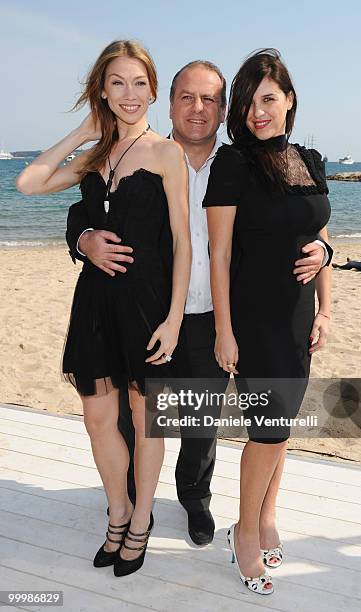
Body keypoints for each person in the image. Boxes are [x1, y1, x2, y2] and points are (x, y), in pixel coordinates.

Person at [66, 58, 333, 547]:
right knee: (134, 417)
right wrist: (84, 238)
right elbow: (83, 207)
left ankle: (194, 499)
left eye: (209, 98)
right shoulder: (139, 153)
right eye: (186, 96)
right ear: (169, 104)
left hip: (213, 314)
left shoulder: (239, 164)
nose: (197, 108)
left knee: (200, 423)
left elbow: (292, 223)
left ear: (222, 107)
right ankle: (128, 502)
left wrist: (323, 250)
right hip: (149, 313)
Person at [16, 40, 192, 577]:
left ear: (153, 89)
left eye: (139, 83)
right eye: (117, 83)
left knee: (146, 421)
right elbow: (28, 183)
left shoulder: (167, 153)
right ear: (101, 90)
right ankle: (116, 514)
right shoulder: (93, 156)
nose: (130, 94)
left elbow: (184, 242)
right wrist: (84, 133)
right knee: (98, 421)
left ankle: (141, 521)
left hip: (148, 307)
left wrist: (175, 318)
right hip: (94, 306)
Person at [203, 48, 331, 596]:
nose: (258, 112)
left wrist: (327, 301)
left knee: (281, 429)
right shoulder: (233, 163)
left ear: (289, 100)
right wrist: (224, 329)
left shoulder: (311, 158)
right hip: (254, 318)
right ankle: (245, 529)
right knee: (268, 429)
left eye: (268, 99)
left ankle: (267, 513)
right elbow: (220, 253)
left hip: (300, 314)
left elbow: (319, 237)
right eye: (249, 102)